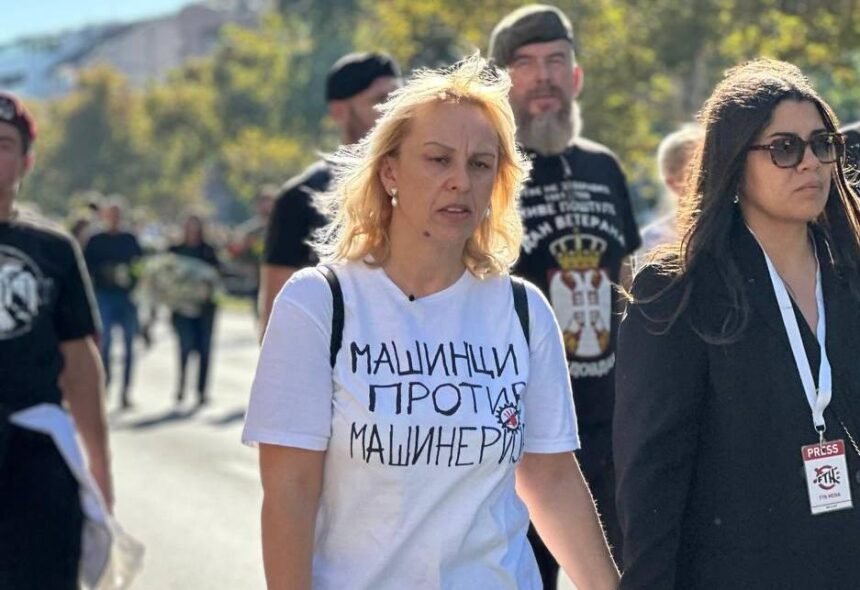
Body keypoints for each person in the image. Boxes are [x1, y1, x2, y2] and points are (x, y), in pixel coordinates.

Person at [242, 55, 618, 590]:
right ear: (390, 171)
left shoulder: (524, 310)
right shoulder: (319, 303)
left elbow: (551, 478)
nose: (460, 182)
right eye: (438, 160)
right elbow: (289, 495)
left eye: (480, 164)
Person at [614, 59, 860, 588]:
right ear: (734, 161)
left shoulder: (851, 274)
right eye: (784, 148)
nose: (810, 163)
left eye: (822, 145)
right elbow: (652, 481)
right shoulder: (678, 291)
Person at [488, 4, 641, 581]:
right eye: (524, 64)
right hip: (522, 426)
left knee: (625, 571)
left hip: (610, 419)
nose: (543, 77)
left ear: (575, 76)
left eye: (555, 61)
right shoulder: (487, 170)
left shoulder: (604, 168)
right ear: (502, 83)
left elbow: (626, 277)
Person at [0, 92, 113, 587]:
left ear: (27, 160)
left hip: (35, 457)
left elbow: (80, 364)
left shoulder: (54, 249)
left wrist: (100, 470)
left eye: (3, 144)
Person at [259, 51, 401, 336]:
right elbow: (276, 321)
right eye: (380, 100)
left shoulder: (426, 186)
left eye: (398, 98)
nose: (394, 111)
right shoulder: (299, 199)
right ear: (339, 111)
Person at [84, 198, 144, 409]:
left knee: (129, 345)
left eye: (117, 215)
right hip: (104, 295)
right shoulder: (95, 240)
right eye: (111, 214)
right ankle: (105, 384)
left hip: (126, 297)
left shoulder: (130, 239)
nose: (114, 219)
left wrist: (131, 278)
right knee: (105, 343)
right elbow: (85, 268)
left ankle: (126, 391)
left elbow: (141, 265)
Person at [634, 124, 703, 269]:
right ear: (672, 183)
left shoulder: (737, 226)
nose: (709, 176)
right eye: (697, 171)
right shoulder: (652, 241)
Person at [169, 215, 221, 406]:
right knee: (184, 347)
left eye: (195, 227)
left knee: (204, 349)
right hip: (181, 308)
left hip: (205, 309)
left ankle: (201, 391)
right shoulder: (175, 250)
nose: (192, 231)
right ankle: (181, 386)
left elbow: (217, 275)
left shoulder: (208, 251)